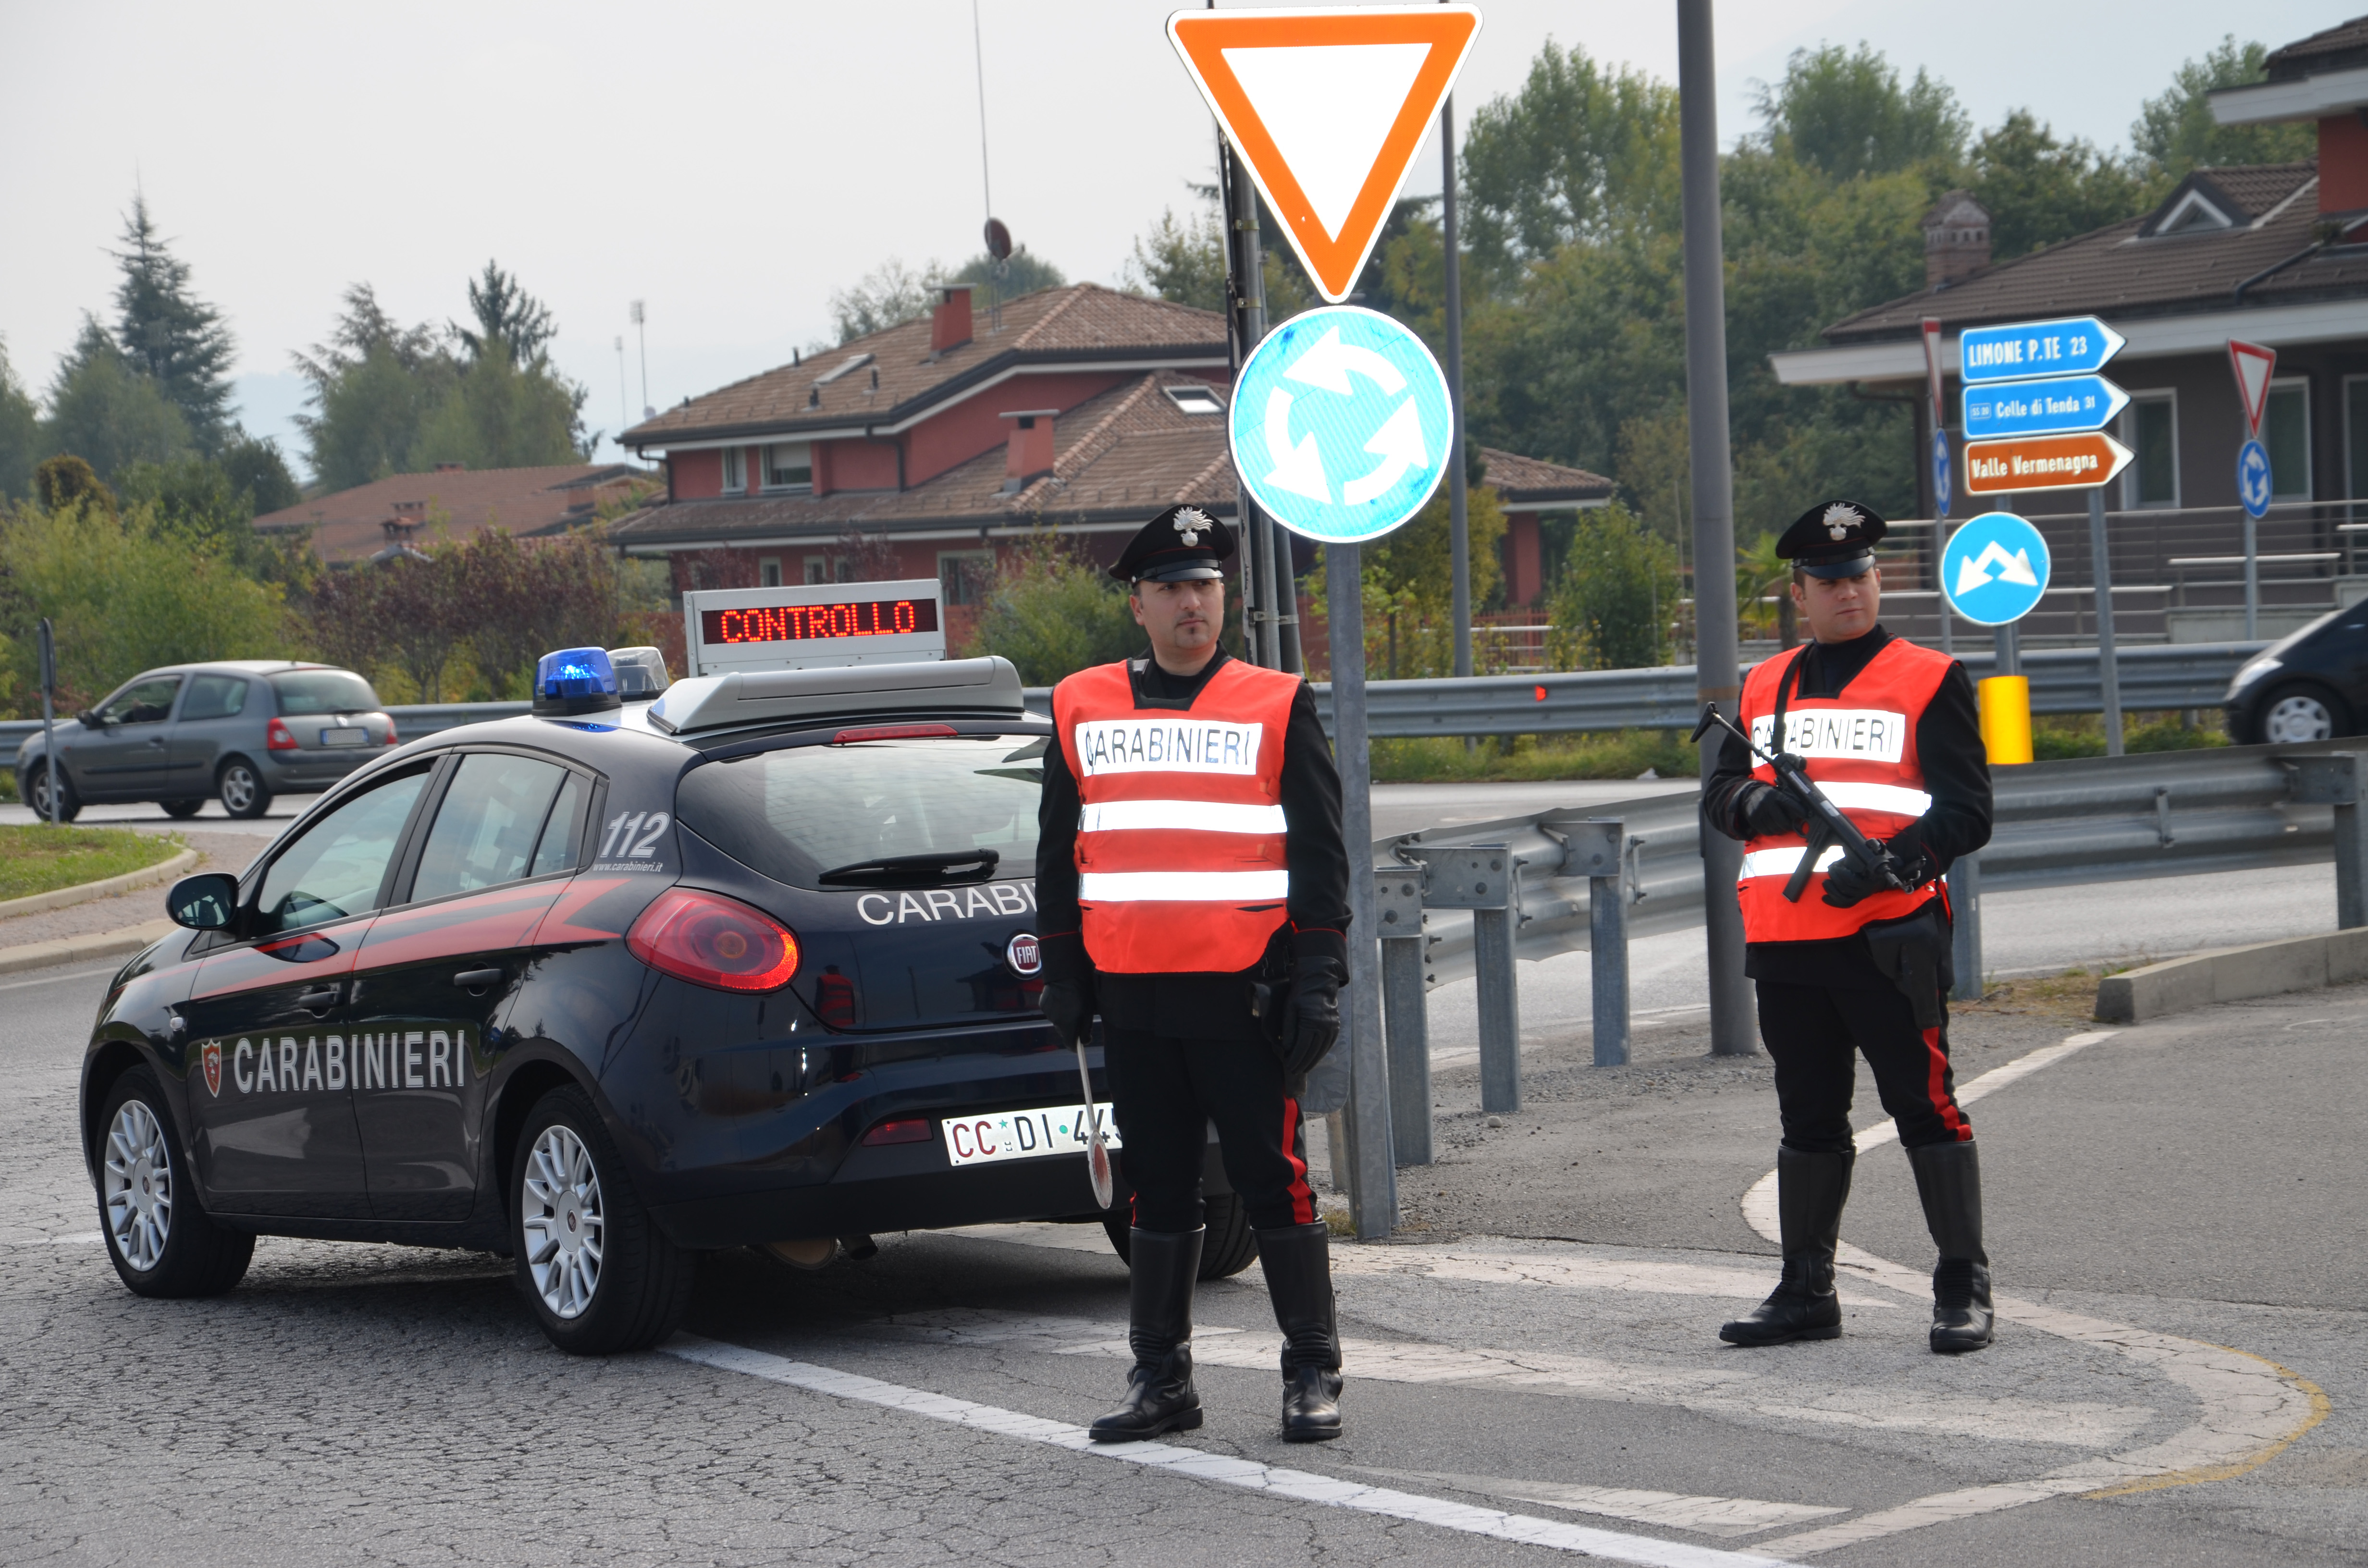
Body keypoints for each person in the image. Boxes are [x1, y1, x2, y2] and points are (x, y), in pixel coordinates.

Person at [1035, 503, 1353, 1442]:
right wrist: (1064, 976)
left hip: (1246, 998)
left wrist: (1319, 980)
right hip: (1133, 1002)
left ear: (1227, 599)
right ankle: (1161, 1383)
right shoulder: (1081, 705)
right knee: (1158, 1194)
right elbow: (1059, 857)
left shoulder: (1276, 702)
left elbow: (1323, 858)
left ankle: (1311, 1374)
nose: (1191, 606)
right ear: (1137, 604)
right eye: (1171, 589)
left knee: (1273, 1185)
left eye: (1205, 588)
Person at [1702, 500, 1998, 1354]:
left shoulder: (1929, 676)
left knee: (1924, 1105)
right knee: (1808, 1118)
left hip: (1889, 936)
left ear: (1879, 580)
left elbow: (1969, 812)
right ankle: (1805, 1292)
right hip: (1787, 942)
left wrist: (1900, 860)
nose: (1848, 593)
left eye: (1861, 576)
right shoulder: (1763, 687)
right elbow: (1721, 796)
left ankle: (1963, 1287)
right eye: (1829, 582)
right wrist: (1756, 800)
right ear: (1799, 593)